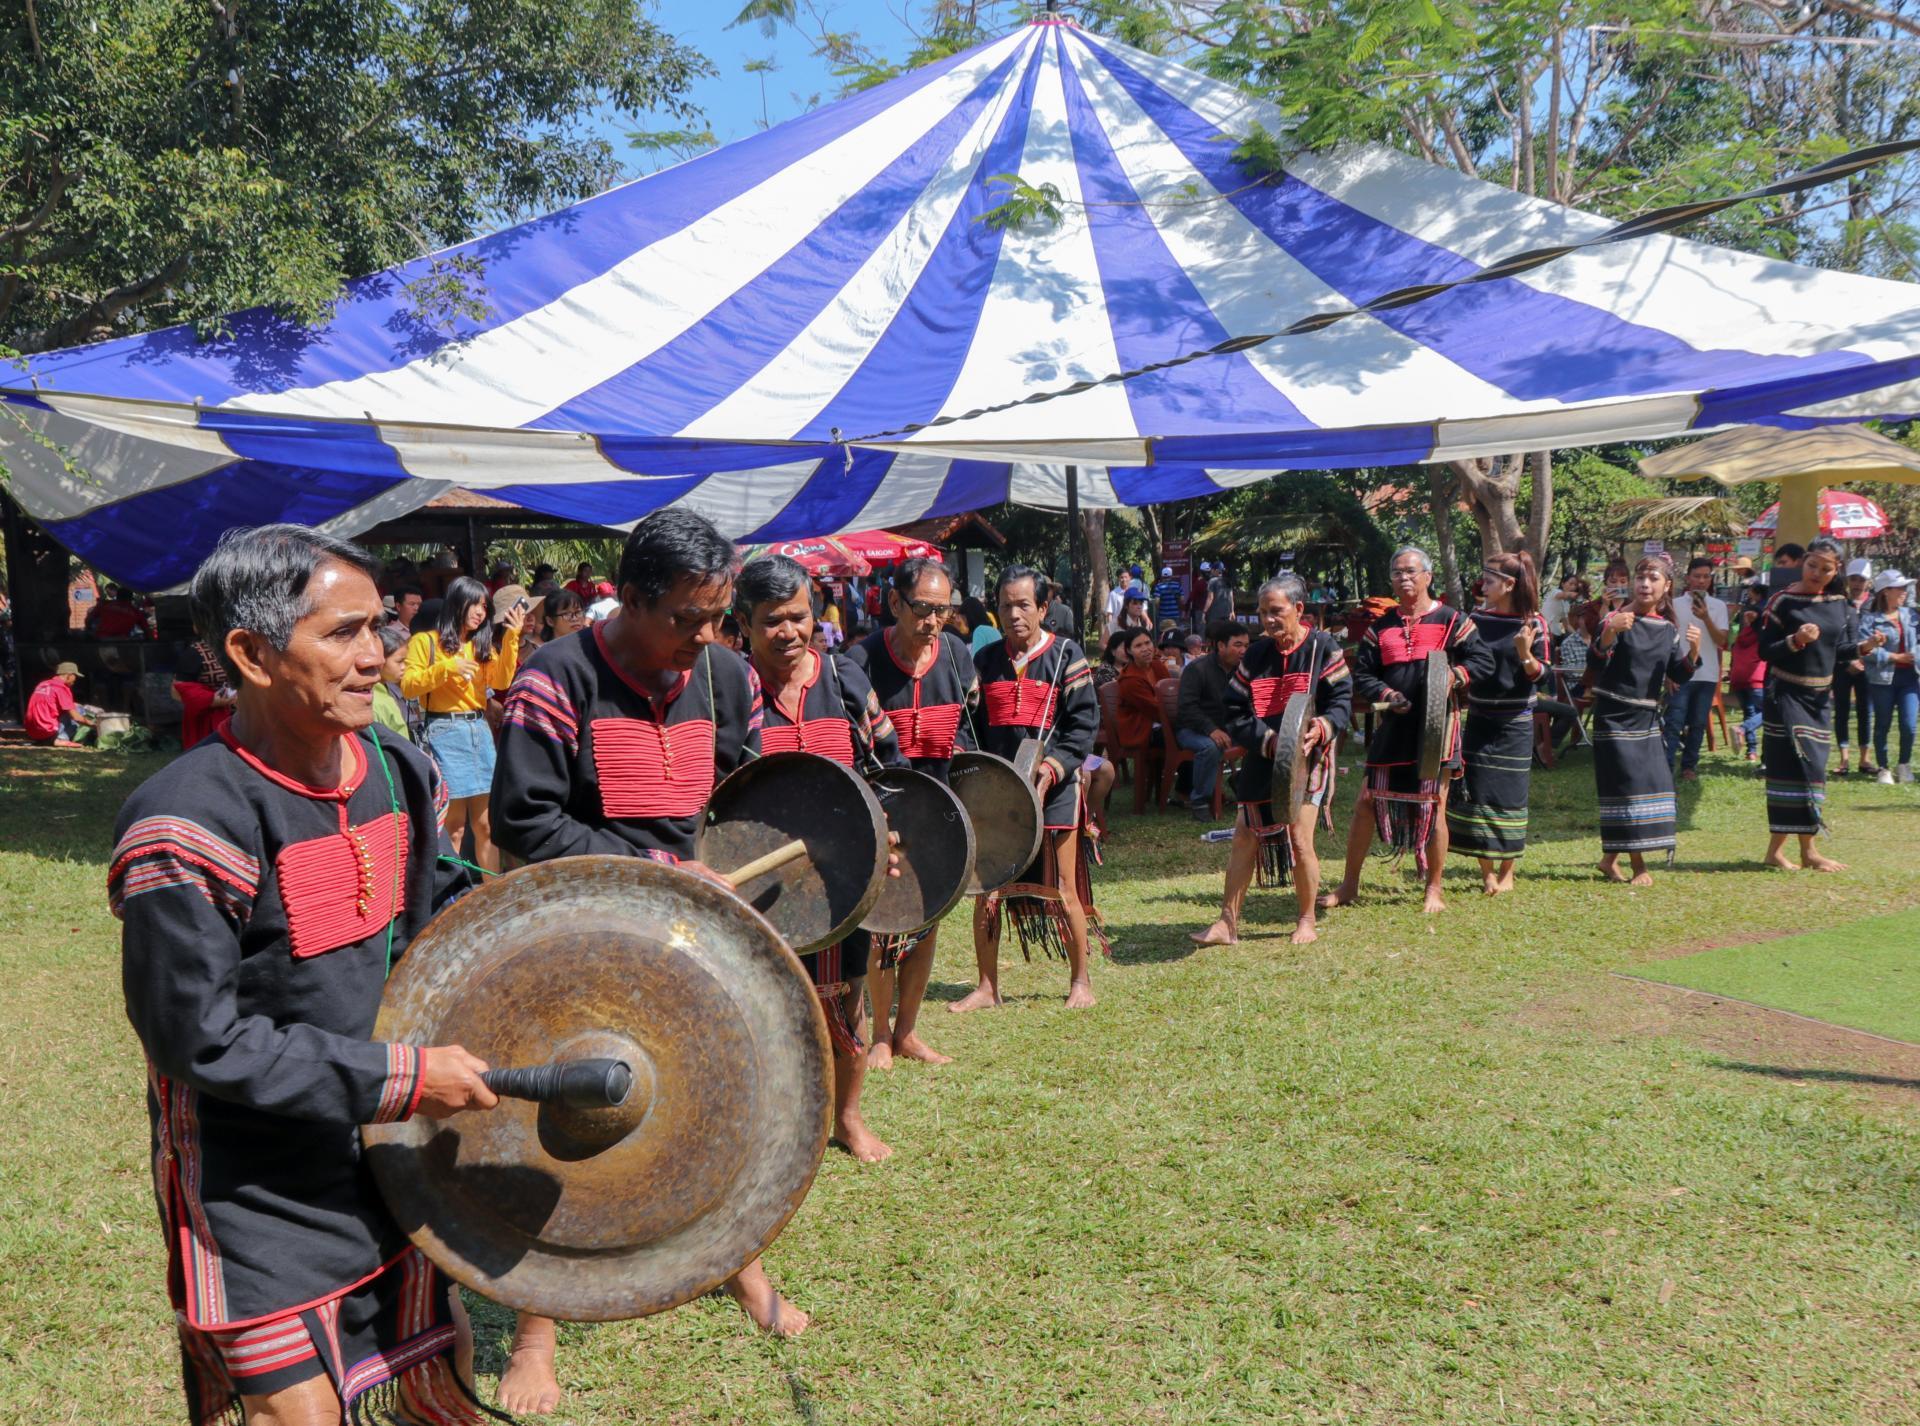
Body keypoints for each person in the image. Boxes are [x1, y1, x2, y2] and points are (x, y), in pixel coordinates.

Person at [110, 524, 500, 1426]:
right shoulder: (186, 826)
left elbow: (435, 913)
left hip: (389, 1155)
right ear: (249, 652)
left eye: (378, 630)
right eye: (342, 633)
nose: (375, 658)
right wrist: (401, 1078)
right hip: (253, 1182)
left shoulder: (401, 772)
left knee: (440, 1379)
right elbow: (197, 1039)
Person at [490, 510, 800, 1414]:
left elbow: (737, 800)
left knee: (711, 1100)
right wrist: (659, 871)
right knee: (565, 1126)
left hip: (688, 943)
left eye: (716, 617)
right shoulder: (558, 678)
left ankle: (735, 1265)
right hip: (576, 947)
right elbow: (525, 823)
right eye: (686, 619)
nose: (705, 637)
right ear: (629, 597)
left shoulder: (725, 676)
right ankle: (537, 1331)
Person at [737, 555, 904, 1158]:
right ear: (744, 625)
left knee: (846, 994)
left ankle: (848, 1118)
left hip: (840, 875)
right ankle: (776, 1127)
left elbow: (892, 767)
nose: (789, 632)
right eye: (772, 620)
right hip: (758, 880)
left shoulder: (844, 680)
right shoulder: (732, 691)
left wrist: (885, 823)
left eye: (799, 617)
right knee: (762, 999)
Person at [845, 558, 981, 1068]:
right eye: (922, 608)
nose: (932, 621)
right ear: (895, 603)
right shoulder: (860, 660)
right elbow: (854, 743)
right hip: (884, 810)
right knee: (882, 921)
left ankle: (908, 1031)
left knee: (929, 917)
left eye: (942, 610)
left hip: (940, 806)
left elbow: (970, 731)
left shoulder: (956, 655)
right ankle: (879, 1032)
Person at [959, 566, 1102, 1012]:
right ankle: (987, 986)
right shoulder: (984, 662)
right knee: (987, 889)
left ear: (1043, 608)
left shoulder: (1066, 656)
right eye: (1006, 605)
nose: (1015, 614)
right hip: (999, 792)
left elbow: (1084, 725)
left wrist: (1055, 767)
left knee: (1063, 887)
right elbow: (967, 726)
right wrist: (973, 771)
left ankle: (1080, 980)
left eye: (1024, 605)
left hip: (1054, 789)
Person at [1322, 546, 1494, 916]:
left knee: (1435, 806)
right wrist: (1386, 694)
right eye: (1397, 572)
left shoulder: (1452, 620)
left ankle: (1434, 888)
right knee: (1367, 802)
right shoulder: (1380, 627)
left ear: (1428, 576)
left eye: (1411, 571)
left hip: (1438, 728)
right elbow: (1363, 673)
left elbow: (1483, 660)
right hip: (1394, 726)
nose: (1404, 577)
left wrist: (1453, 676)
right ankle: (1349, 885)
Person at [1194, 575, 1351, 946]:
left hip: (1309, 759)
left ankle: (1307, 919)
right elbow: (1235, 709)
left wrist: (1324, 727)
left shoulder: (1322, 648)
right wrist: (1267, 741)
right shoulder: (1256, 655)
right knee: (1244, 835)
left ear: (1298, 609)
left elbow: (1342, 700)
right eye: (1262, 612)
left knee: (1298, 837)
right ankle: (1226, 923)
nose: (1267, 620)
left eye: (1275, 611)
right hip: (1264, 754)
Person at [1760, 539, 1881, 872]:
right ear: (1804, 562)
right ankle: (1798, 851)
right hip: (1784, 695)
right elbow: (1765, 651)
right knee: (1794, 768)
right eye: (1812, 565)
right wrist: (1795, 640)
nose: (1816, 573)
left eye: (1825, 568)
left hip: (1818, 700)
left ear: (1836, 570)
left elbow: (1839, 652)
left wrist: (1865, 647)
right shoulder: (1782, 600)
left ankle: (1793, 852)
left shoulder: (1840, 603)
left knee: (1812, 773)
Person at [401, 575, 524, 873]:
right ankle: (453, 894)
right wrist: (447, 667)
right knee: (453, 826)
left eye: (485, 606)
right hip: (445, 731)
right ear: (457, 602)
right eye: (475, 604)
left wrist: (511, 637)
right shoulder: (425, 642)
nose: (481, 612)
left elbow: (502, 680)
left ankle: (491, 888)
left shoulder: (480, 646)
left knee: (486, 825)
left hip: (478, 730)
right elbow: (408, 686)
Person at [1591, 557, 1701, 884]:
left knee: (1654, 785)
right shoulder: (1616, 619)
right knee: (1628, 789)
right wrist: (1610, 632)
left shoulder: (1667, 629)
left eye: (1653, 578)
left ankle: (1609, 860)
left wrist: (1694, 652)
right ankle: (1639, 867)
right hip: (1614, 718)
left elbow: (1677, 673)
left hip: (1647, 720)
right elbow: (1595, 660)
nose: (1644, 584)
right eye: (1641, 577)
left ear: (1667, 586)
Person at [1447, 551, 1548, 895]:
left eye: (1489, 580)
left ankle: (1508, 872)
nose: (1482, 585)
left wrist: (1525, 654)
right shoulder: (1475, 619)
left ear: (1509, 585)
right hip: (1478, 718)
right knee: (1477, 793)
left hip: (1516, 722)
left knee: (1510, 797)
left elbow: (1542, 677)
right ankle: (1487, 873)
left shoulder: (1534, 624)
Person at [1662, 557, 1729, 781]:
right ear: (1688, 578)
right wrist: (1667, 674)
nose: (1701, 581)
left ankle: (1689, 766)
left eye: (1706, 577)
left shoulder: (1718, 607)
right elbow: (1666, 640)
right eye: (1697, 576)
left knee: (1698, 723)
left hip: (1707, 674)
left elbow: (1721, 640)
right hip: (1680, 673)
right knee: (1674, 722)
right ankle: (1667, 766)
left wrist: (1706, 618)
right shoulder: (1673, 604)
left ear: (1711, 579)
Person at [1175, 620, 1248, 819]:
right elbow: (1187, 708)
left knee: (1262, 736)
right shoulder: (1197, 669)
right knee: (1210, 746)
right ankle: (1199, 801)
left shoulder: (1242, 670)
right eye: (1238, 645)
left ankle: (1242, 781)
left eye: (1246, 646)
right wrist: (1210, 729)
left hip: (1227, 728)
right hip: (1191, 730)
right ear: (1221, 646)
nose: (1243, 651)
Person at [1861, 569, 1918, 784]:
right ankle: (1883, 768)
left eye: (1905, 587)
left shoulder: (1912, 615)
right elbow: (1865, 650)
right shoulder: (1871, 620)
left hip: (1910, 679)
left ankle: (1904, 764)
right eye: (1900, 588)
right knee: (1882, 723)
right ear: (1885, 592)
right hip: (1882, 679)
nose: (1905, 591)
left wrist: (1914, 656)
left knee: (1909, 724)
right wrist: (1895, 657)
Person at [1833, 557, 1876, 774]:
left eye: (1862, 579)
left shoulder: (1875, 604)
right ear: (1847, 580)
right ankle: (1844, 759)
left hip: (1868, 665)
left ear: (1869, 581)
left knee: (1864, 711)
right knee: (1841, 710)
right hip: (1842, 664)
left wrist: (1862, 659)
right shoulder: (1840, 603)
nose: (1858, 583)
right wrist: (1850, 660)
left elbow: (1879, 635)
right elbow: (1836, 634)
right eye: (1854, 579)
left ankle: (1865, 759)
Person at [1727, 578, 1770, 759]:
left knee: (1749, 711)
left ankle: (1751, 752)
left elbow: (1733, 647)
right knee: (1769, 712)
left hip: (1738, 675)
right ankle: (1742, 729)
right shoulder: (1763, 629)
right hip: (1756, 676)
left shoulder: (1742, 630)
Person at [1113, 628, 1168, 752]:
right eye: (1138, 646)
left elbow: (1171, 696)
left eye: (1148, 643)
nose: (1145, 649)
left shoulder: (1158, 666)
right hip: (1141, 730)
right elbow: (1155, 709)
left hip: (1163, 721)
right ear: (1129, 651)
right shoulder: (1130, 679)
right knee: (1182, 736)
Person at [25, 661, 97, 746]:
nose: (75, 680)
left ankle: (46, 739)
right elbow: (76, 717)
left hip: (32, 732)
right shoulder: (61, 688)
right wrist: (95, 726)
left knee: (75, 706)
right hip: (48, 732)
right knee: (79, 710)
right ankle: (60, 738)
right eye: (75, 676)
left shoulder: (43, 684)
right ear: (69, 675)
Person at [370, 622, 412, 741]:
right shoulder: (375, 701)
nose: (404, 667)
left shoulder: (385, 691)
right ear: (380, 660)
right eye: (399, 661)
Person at [1153, 566, 1184, 630]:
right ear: (1171, 575)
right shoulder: (1177, 585)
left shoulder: (1159, 586)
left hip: (1163, 615)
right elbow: (1182, 600)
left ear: (1162, 576)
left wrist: (1159, 609)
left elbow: (1156, 602)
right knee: (1175, 633)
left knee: (1163, 633)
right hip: (1175, 614)